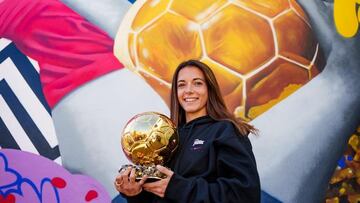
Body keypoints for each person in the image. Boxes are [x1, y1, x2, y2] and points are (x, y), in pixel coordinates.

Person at [114, 59, 261, 203]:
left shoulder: (226, 131)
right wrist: (135, 194)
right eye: (181, 85)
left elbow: (245, 195)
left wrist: (177, 187)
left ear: (209, 89)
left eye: (197, 83)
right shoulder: (167, 138)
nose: (189, 90)